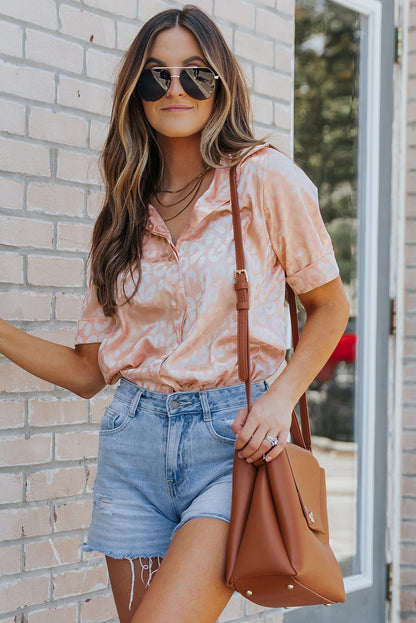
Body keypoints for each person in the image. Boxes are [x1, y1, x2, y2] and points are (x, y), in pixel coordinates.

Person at [0, 5, 349, 623]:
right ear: (136, 92)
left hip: (232, 445)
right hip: (132, 448)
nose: (176, 89)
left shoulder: (264, 180)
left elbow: (329, 307)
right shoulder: (123, 212)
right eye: (157, 75)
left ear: (221, 85)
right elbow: (89, 372)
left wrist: (277, 400)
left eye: (195, 73)